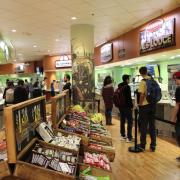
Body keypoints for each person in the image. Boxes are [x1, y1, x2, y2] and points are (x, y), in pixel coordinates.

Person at [138, 66, 156, 152]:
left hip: (145, 106)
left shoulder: (143, 81)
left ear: (140, 73)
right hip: (153, 106)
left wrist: (140, 104)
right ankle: (153, 145)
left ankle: (142, 145)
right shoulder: (153, 80)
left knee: (143, 126)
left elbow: (141, 95)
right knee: (152, 126)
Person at [118, 75, 133, 142]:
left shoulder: (119, 85)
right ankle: (129, 137)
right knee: (130, 121)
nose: (129, 80)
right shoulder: (127, 87)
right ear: (127, 79)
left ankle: (122, 135)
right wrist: (131, 106)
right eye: (129, 79)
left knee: (122, 120)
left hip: (121, 106)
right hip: (127, 106)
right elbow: (129, 98)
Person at [171, 72, 180, 161]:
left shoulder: (178, 90)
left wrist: (173, 118)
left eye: (176, 80)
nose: (175, 82)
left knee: (178, 135)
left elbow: (177, 105)